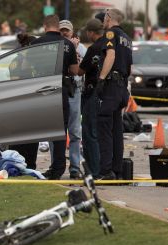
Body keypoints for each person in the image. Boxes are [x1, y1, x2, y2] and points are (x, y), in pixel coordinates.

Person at [31, 15, 78, 179]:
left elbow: (26, 66)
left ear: (45, 26)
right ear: (58, 27)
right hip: (60, 90)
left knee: (34, 128)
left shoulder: (36, 43)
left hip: (38, 90)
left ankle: (30, 165)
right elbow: (74, 70)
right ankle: (57, 169)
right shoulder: (67, 45)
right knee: (59, 131)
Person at [96, 9, 132, 180]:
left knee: (104, 128)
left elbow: (110, 55)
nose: (103, 20)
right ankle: (117, 170)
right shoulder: (126, 37)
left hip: (111, 86)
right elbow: (129, 65)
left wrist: (102, 78)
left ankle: (106, 170)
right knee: (117, 129)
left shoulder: (110, 33)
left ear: (109, 18)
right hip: (122, 87)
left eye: (104, 17)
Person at [77, 19, 106, 177]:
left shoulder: (94, 48)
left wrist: (74, 53)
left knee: (89, 133)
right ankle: (103, 168)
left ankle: (94, 171)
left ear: (91, 32)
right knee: (102, 133)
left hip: (92, 93)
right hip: (106, 94)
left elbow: (80, 71)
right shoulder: (108, 45)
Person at [59, 20, 86, 179]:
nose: (64, 33)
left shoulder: (81, 48)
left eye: (67, 31)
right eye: (61, 31)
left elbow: (80, 70)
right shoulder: (55, 46)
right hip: (59, 89)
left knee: (75, 131)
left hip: (74, 90)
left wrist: (74, 50)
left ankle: (75, 166)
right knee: (56, 131)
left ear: (72, 31)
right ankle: (57, 164)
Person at [8, 33, 39, 169]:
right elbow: (16, 85)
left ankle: (31, 165)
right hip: (20, 105)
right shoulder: (17, 61)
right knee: (19, 138)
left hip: (33, 104)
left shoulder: (35, 61)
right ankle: (16, 165)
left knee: (33, 137)